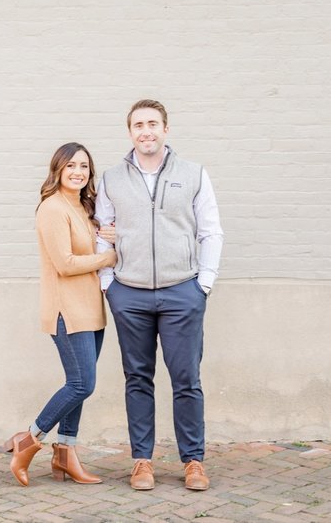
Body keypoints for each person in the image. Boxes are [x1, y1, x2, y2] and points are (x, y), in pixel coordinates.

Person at [95, 99, 223, 491]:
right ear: (130, 132)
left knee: (187, 379)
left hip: (181, 291)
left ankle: (194, 462)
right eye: (138, 125)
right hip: (129, 294)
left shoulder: (194, 174)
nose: (146, 131)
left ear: (166, 129)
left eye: (153, 123)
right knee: (137, 378)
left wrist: (203, 284)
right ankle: (142, 462)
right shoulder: (111, 178)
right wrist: (108, 283)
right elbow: (102, 231)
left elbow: (210, 231)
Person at [4, 142, 117, 487]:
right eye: (71, 166)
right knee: (81, 384)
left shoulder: (83, 207)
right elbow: (65, 264)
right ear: (58, 170)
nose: (78, 172)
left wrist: (107, 236)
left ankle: (65, 454)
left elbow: (94, 244)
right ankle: (28, 440)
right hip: (66, 310)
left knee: (80, 387)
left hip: (91, 310)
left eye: (84, 166)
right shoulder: (52, 209)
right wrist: (108, 258)